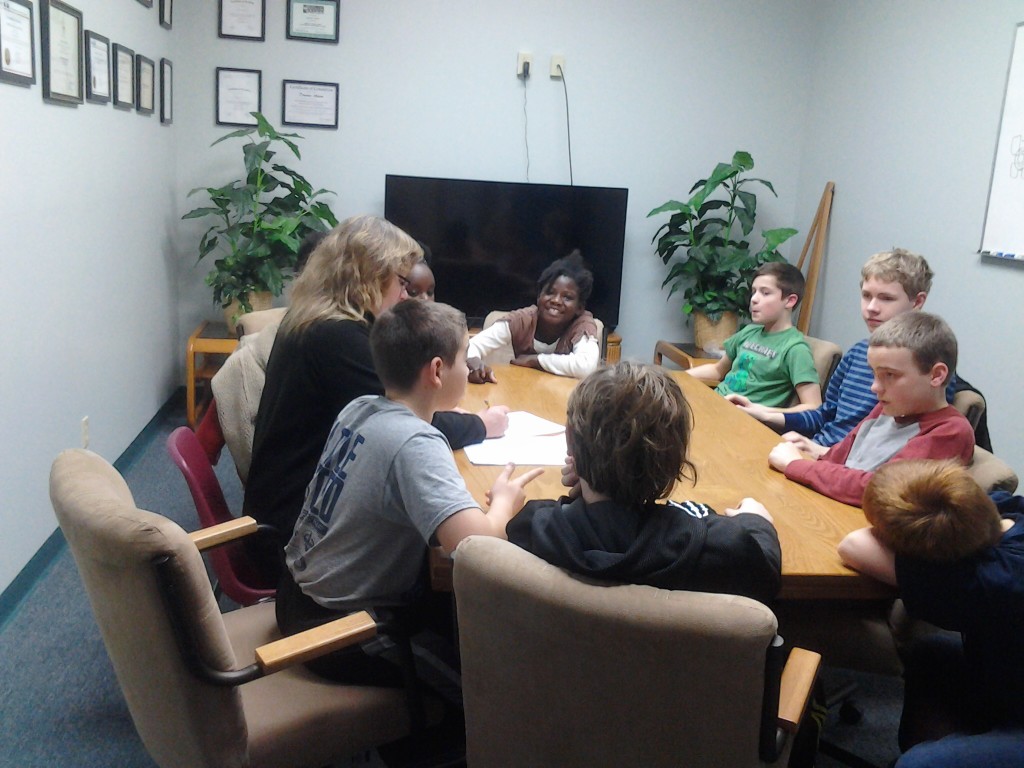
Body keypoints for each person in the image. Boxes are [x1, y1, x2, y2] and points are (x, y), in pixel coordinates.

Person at [277, 299, 544, 685]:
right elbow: (478, 549)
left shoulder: (359, 407)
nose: (469, 369)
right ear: (437, 370)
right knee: (490, 691)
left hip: (296, 594)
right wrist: (503, 503)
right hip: (341, 630)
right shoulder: (415, 441)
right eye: (464, 358)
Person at [243, 216, 510, 579]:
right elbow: (405, 423)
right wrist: (481, 424)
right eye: (402, 283)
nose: (405, 295)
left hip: (293, 508)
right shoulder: (340, 340)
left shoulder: (313, 320)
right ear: (368, 275)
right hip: (301, 540)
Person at [507, 360, 782, 606]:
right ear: (676, 457)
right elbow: (765, 575)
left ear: (569, 440)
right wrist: (758, 523)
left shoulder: (533, 528)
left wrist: (587, 488)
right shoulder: (721, 548)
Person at [837, 460, 1024, 767]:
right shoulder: (1005, 514)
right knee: (931, 653)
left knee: (922, 764)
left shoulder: (992, 582)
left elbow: (854, 545)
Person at [730, 248, 939, 448]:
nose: (872, 308)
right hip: (817, 450)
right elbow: (825, 415)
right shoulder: (857, 352)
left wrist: (823, 454)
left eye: (886, 298)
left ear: (917, 301)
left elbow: (891, 447)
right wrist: (765, 413)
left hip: (845, 467)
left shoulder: (924, 369)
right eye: (866, 296)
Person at [768, 312, 974, 507]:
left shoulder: (951, 431)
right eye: (874, 374)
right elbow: (837, 458)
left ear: (936, 375)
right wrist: (809, 454)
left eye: (890, 375)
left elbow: (879, 489)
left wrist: (796, 465)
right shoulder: (885, 410)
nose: (874, 387)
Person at [688, 262, 822, 411]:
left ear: (790, 301)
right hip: (715, 404)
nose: (754, 299)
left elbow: (813, 406)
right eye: (754, 291)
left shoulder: (795, 349)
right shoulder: (748, 332)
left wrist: (758, 411)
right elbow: (718, 370)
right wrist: (675, 378)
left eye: (765, 293)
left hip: (743, 419)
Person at [467, 249, 601, 379]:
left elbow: (586, 366)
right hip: (523, 394)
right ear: (538, 297)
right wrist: (474, 363)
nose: (556, 300)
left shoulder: (583, 325)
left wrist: (536, 360)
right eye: (550, 292)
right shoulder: (522, 321)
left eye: (567, 297)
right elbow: (471, 346)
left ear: (580, 307)